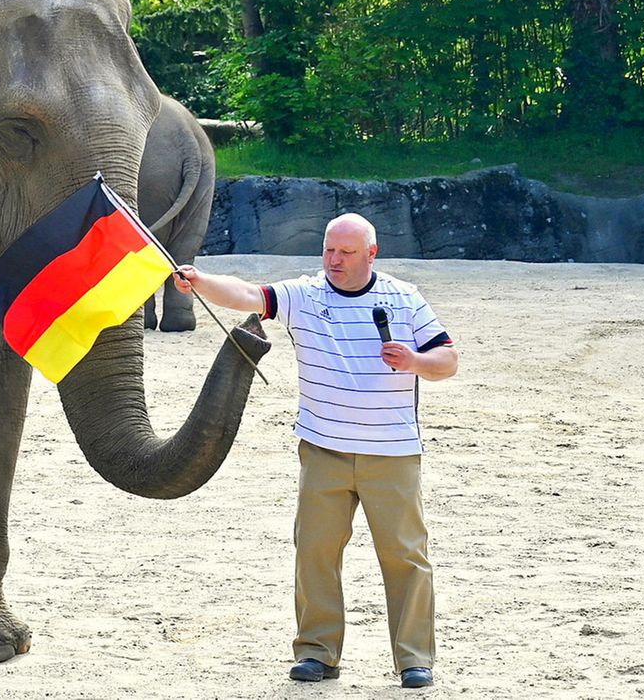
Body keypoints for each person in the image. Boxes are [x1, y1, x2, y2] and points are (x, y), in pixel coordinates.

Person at [173, 213, 458, 690]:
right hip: (323, 449)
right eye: (329, 250)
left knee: (405, 555)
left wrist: (415, 361)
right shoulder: (306, 295)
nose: (334, 261)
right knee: (315, 553)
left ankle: (414, 659)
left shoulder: (404, 298)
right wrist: (200, 280)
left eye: (346, 253)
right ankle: (316, 653)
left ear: (372, 253)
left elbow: (447, 360)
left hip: (391, 451)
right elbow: (248, 295)